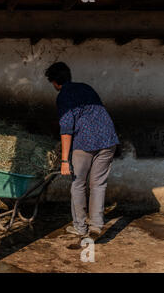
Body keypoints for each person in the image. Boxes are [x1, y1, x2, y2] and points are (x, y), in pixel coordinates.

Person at [45, 62, 119, 237]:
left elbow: (66, 129)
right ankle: (96, 226)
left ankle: (80, 227)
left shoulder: (63, 96)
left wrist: (64, 161)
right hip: (108, 139)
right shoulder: (86, 88)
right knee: (98, 184)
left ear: (55, 82)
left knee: (78, 184)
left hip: (85, 143)